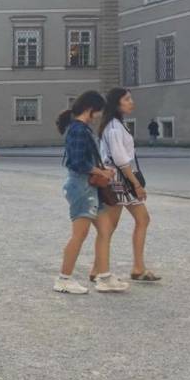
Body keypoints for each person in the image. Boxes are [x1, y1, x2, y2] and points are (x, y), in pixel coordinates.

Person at [53, 91, 127, 294]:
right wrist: (101, 171)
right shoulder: (78, 130)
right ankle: (63, 279)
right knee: (80, 234)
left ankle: (104, 277)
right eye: (98, 111)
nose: (99, 116)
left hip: (89, 186)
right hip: (81, 187)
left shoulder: (80, 128)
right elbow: (77, 163)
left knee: (105, 229)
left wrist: (101, 170)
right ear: (89, 109)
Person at [100, 88, 160, 283]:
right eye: (127, 99)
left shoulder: (115, 125)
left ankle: (104, 268)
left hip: (116, 178)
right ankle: (134, 268)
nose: (131, 102)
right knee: (138, 220)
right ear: (116, 103)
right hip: (121, 179)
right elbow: (120, 160)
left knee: (111, 225)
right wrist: (136, 185)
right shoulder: (115, 127)